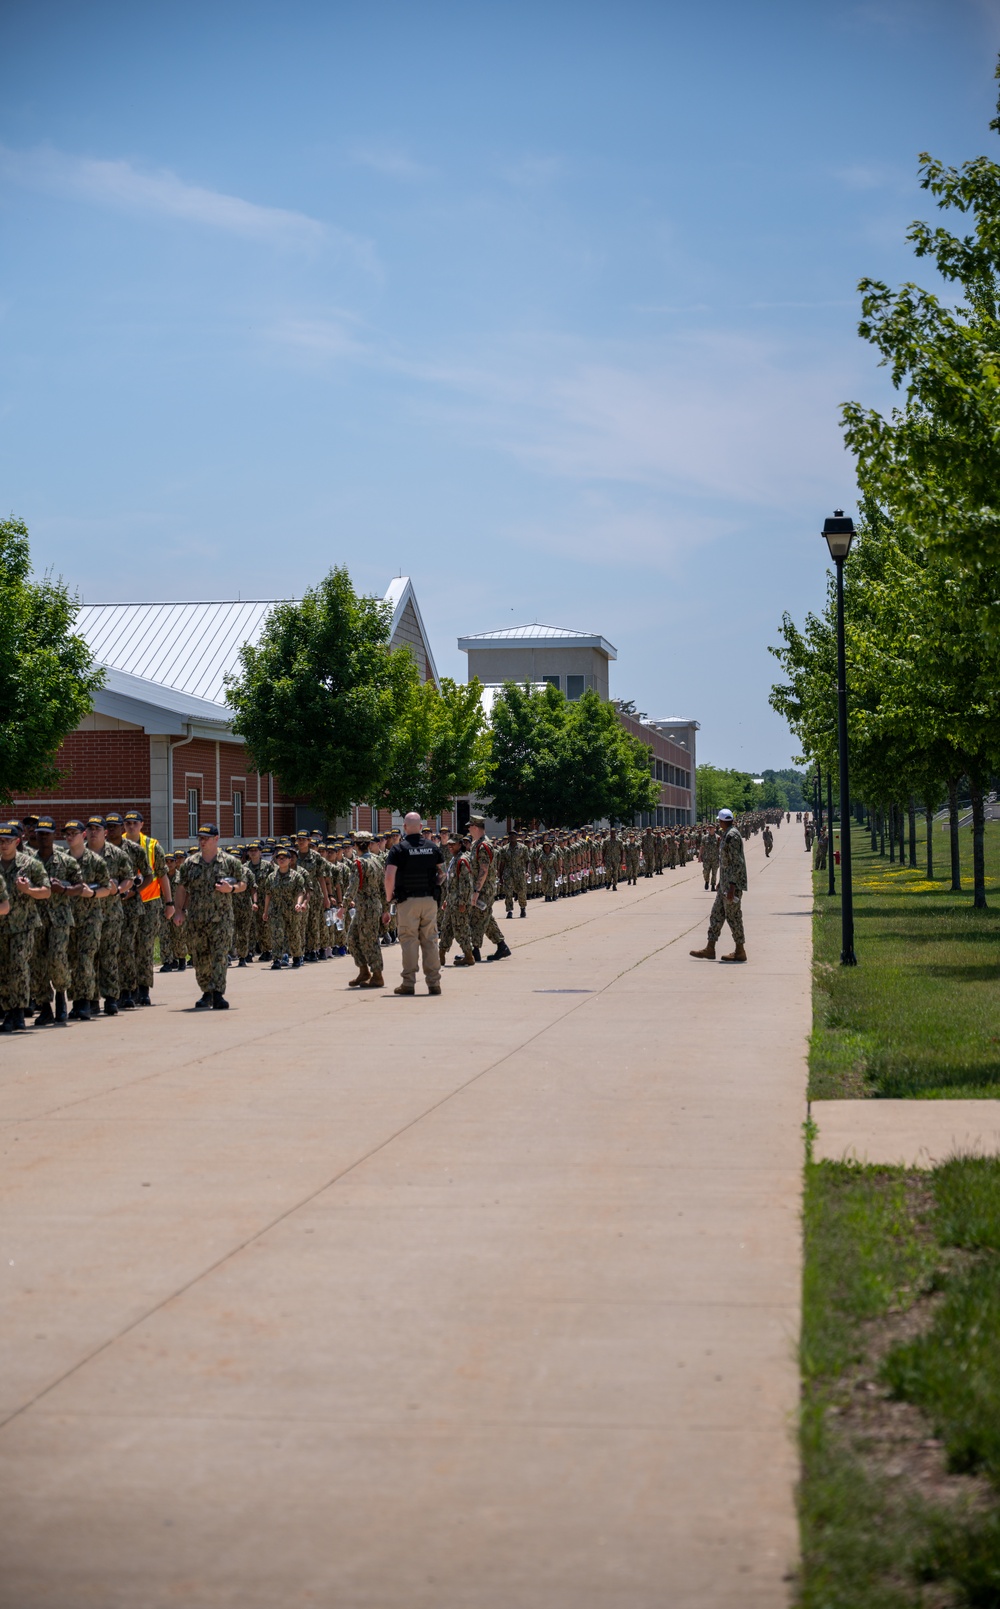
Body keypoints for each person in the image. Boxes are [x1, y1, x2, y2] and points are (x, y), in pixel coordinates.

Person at [171, 825, 246, 1009]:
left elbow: (244, 883)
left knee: (219, 955)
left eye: (206, 838)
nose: (202, 841)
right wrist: (179, 910)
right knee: (200, 957)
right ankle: (206, 992)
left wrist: (232, 889)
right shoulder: (190, 863)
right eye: (200, 838)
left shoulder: (229, 862)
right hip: (197, 920)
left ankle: (218, 993)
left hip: (221, 919)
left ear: (216, 838)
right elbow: (181, 887)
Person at [29, 816, 85, 1027]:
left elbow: (80, 887)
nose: (43, 837)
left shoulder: (66, 861)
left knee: (58, 959)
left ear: (54, 835)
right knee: (37, 964)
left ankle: (61, 998)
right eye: (39, 833)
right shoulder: (28, 862)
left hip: (60, 920)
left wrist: (64, 889)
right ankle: (45, 1007)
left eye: (47, 833)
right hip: (35, 920)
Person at [382, 812, 445, 996]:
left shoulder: (398, 849)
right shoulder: (433, 847)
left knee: (409, 941)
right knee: (430, 939)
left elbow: (389, 876)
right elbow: (442, 874)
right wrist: (434, 886)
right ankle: (434, 983)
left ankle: (408, 983)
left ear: (405, 828)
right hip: (429, 900)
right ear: (420, 827)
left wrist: (388, 898)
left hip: (407, 900)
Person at [0, 820, 44, 1033]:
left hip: (23, 925)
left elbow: (46, 891)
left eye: (8, 841)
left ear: (17, 841)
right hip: (1, 926)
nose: (4, 845)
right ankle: (8, 1011)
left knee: (19, 967)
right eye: (0, 841)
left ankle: (17, 1012)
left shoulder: (30, 863)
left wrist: (29, 890)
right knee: (3, 970)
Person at [690, 809, 748, 963]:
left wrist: (732, 886)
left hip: (731, 886)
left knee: (734, 917)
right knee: (716, 915)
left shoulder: (731, 836)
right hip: (725, 884)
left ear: (722, 821)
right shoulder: (728, 834)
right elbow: (727, 863)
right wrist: (721, 881)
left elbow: (737, 863)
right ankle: (710, 948)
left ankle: (740, 950)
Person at [467, 816, 511, 962]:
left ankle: (474, 951)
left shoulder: (483, 846)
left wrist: (476, 891)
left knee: (477, 920)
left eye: (470, 826)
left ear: (475, 827)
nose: (468, 829)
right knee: (486, 919)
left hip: (484, 890)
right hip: (481, 888)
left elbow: (484, 870)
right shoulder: (477, 844)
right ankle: (501, 946)